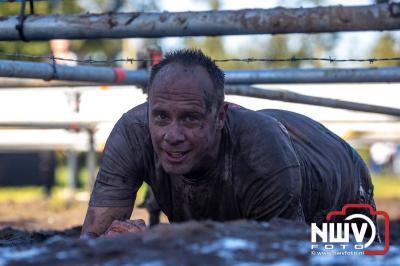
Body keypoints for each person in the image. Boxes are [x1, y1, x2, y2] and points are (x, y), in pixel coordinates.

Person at [81, 49, 377, 238]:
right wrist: (112, 245)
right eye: (160, 116)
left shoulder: (262, 155)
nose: (172, 135)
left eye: (190, 118)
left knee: (349, 254)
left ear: (220, 116)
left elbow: (284, 253)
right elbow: (91, 241)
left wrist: (161, 240)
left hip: (338, 177)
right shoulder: (133, 133)